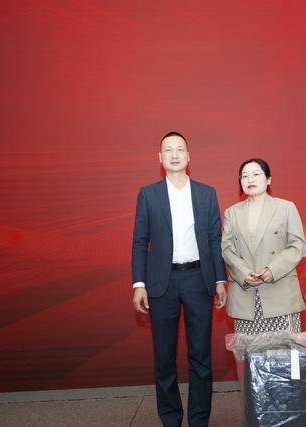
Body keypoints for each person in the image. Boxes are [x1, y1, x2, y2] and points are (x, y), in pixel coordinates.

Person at [131, 131, 227, 427]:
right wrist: (139, 284)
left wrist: (220, 280)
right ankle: (171, 419)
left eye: (180, 149)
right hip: (162, 283)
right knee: (164, 358)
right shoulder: (149, 194)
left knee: (201, 356)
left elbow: (215, 239)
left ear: (188, 156)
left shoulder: (206, 193)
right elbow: (140, 242)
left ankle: (199, 420)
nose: (174, 154)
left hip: (199, 279)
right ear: (160, 158)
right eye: (168, 150)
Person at [221, 158, 306, 334]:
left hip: (280, 292)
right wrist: (244, 273)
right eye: (245, 176)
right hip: (245, 296)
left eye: (256, 174)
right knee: (249, 350)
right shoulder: (231, 213)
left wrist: (272, 270)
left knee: (284, 350)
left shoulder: (286, 208)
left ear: (268, 180)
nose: (250, 179)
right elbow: (227, 249)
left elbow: (297, 245)